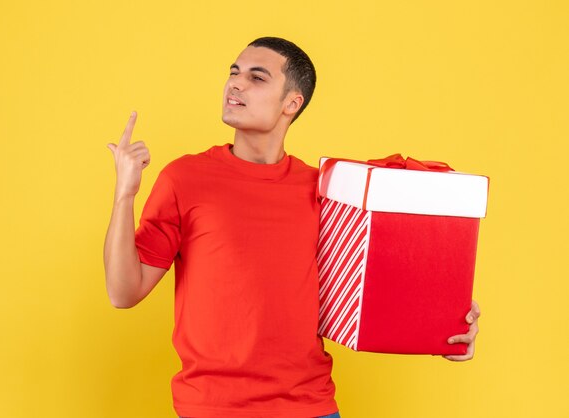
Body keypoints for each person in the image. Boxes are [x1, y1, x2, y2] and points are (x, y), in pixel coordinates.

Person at [103, 37, 481, 418]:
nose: (235, 83)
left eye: (257, 77)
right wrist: (125, 194)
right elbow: (124, 291)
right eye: (233, 73)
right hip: (213, 407)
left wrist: (443, 325)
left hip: (309, 406)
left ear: (292, 103)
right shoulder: (184, 179)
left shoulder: (325, 189)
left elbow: (369, 282)